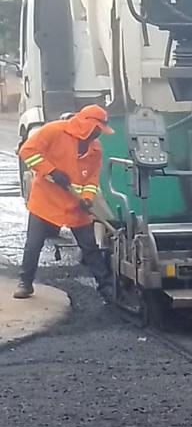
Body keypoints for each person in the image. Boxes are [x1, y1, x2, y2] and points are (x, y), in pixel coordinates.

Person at [14, 105, 116, 302]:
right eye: (97, 129)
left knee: (90, 248)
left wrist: (87, 198)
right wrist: (51, 171)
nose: (98, 134)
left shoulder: (95, 149)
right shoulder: (55, 131)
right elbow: (27, 151)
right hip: (46, 201)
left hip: (76, 206)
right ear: (86, 125)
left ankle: (107, 288)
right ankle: (25, 283)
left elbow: (92, 179)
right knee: (33, 244)